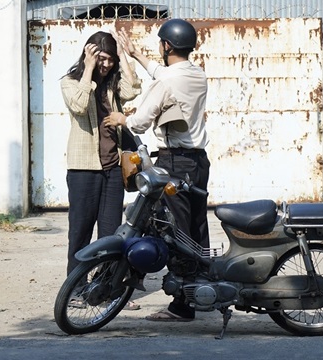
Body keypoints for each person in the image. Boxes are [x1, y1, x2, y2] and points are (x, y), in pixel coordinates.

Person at [103, 19, 210, 321]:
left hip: (174, 162)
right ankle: (200, 290)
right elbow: (163, 72)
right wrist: (136, 54)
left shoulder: (165, 83)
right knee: (197, 229)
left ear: (166, 46)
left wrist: (119, 118)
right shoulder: (197, 74)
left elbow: (140, 121)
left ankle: (182, 305)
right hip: (199, 162)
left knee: (175, 231)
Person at [60, 30, 142, 309]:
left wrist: (124, 56)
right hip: (83, 169)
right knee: (80, 232)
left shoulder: (111, 85)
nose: (106, 65)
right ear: (89, 54)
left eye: (109, 60)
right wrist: (89, 69)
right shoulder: (71, 83)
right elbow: (80, 106)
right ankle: (76, 288)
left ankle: (109, 288)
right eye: (102, 59)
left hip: (111, 169)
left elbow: (133, 89)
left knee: (110, 234)